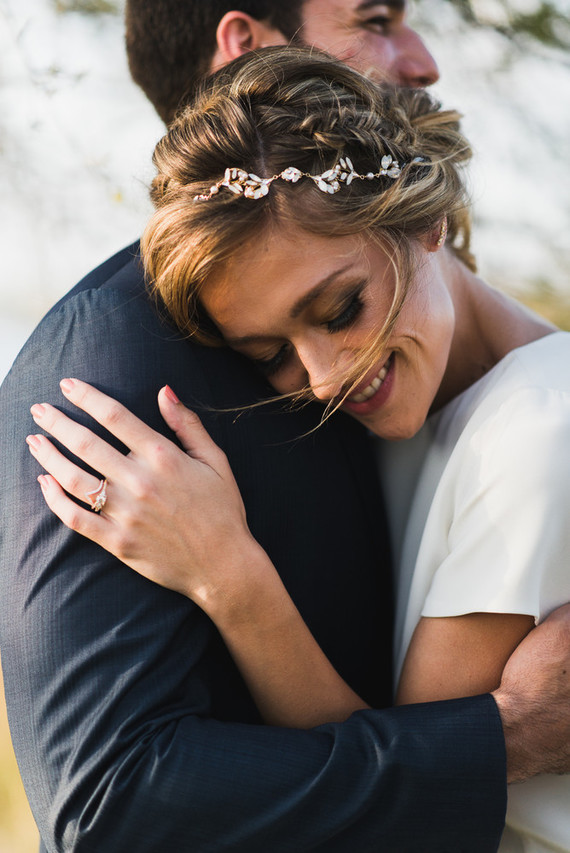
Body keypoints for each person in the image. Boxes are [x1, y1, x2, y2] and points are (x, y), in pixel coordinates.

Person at [0, 2, 565, 851]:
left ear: (423, 218)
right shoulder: (419, 417)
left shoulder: (536, 423)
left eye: (340, 308)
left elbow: (412, 811)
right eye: (270, 354)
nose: (326, 377)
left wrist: (233, 578)